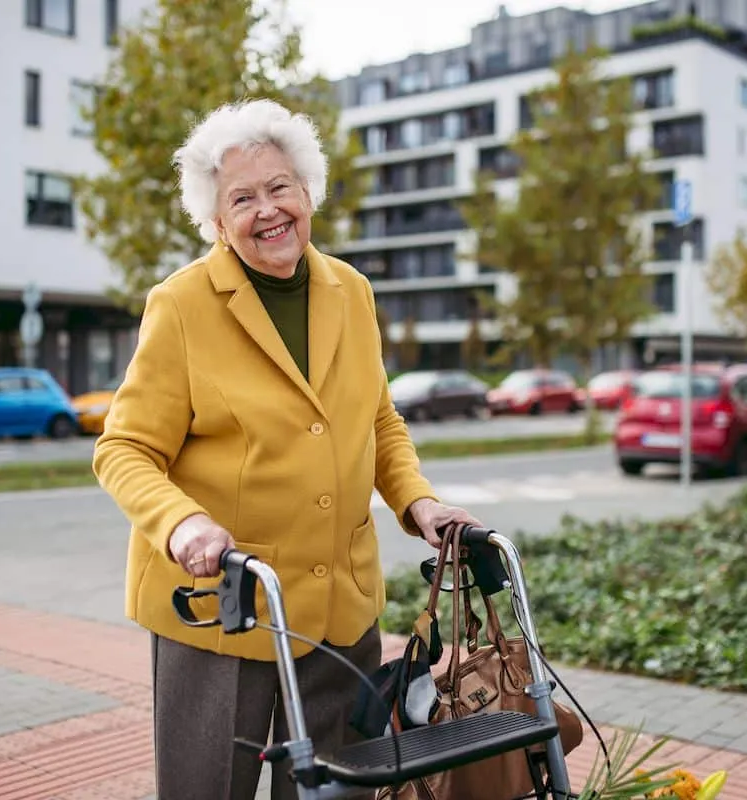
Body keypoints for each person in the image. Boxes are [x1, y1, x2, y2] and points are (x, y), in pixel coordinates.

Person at [92, 98, 481, 800]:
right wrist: (181, 524)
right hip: (223, 604)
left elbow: (378, 419)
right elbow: (123, 449)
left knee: (336, 792)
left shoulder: (351, 292)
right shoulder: (181, 305)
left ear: (308, 193)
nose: (267, 210)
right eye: (242, 198)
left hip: (340, 606)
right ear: (216, 220)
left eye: (280, 188)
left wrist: (416, 500)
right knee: (209, 789)